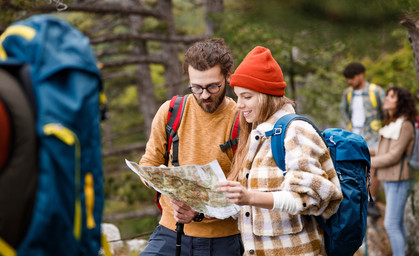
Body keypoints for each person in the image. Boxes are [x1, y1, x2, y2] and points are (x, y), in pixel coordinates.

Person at [217, 46, 343, 256]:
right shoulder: (257, 135)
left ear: (267, 95)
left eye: (246, 97)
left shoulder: (296, 131)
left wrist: (249, 197)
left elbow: (309, 199)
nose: (239, 105)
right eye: (238, 97)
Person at [139, 38, 244, 256]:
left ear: (228, 76)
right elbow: (148, 164)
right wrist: (163, 184)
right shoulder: (170, 112)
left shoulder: (242, 121)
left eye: (213, 86)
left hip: (223, 240)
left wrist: (198, 211)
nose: (205, 95)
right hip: (170, 231)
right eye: (196, 87)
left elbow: (245, 189)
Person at [369, 86, 417, 256]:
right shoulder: (392, 123)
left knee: (391, 224)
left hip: (399, 179)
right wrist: (361, 150)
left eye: (391, 97)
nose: (386, 99)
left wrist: (368, 162)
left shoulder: (405, 125)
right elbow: (381, 149)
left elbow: (393, 156)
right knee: (398, 223)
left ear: (400, 102)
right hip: (389, 178)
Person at [340, 62, 386, 218]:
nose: (350, 82)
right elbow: (344, 113)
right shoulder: (348, 94)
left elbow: (385, 113)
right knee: (355, 167)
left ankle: (370, 201)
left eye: (352, 78)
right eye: (348, 79)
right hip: (354, 137)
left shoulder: (376, 92)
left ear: (361, 75)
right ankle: (357, 199)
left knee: (373, 167)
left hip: (373, 136)